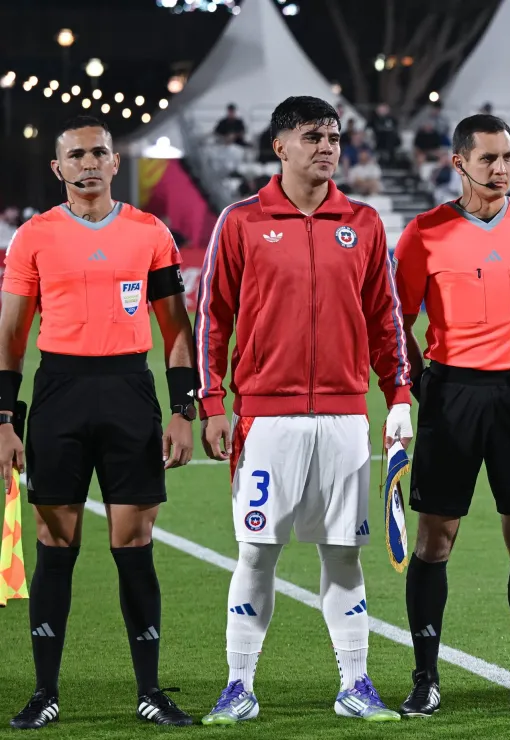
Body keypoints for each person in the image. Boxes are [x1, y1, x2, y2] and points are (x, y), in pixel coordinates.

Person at [193, 96, 413, 724]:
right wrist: (213, 404)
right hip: (265, 420)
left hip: (346, 420)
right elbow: (213, 316)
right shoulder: (239, 221)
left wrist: (398, 396)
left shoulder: (364, 222)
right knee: (257, 553)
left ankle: (356, 683)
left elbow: (386, 320)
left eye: (335, 136)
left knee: (343, 554)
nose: (327, 146)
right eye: (313, 135)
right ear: (279, 147)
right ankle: (239, 686)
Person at [1, 115, 196, 728]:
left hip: (130, 392)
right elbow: (9, 337)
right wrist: (5, 419)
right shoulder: (33, 236)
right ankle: (44, 693)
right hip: (58, 393)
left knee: (133, 545)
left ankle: (150, 692)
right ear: (58, 168)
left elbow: (175, 331)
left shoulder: (150, 232)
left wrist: (183, 410)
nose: (89, 163)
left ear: (116, 163)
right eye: (76, 155)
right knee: (55, 545)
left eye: (100, 153)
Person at [392, 114, 510, 717]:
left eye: (508, 159)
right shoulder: (424, 234)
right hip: (453, 396)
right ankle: (425, 677)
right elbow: (397, 323)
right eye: (488, 158)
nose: (501, 169)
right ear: (458, 162)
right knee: (436, 539)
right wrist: (420, 381)